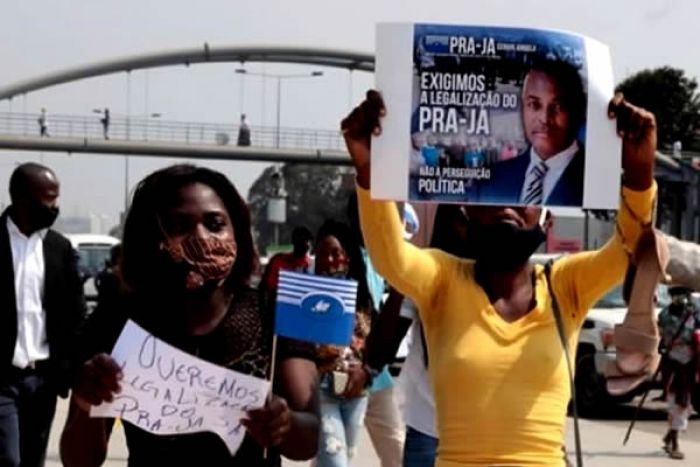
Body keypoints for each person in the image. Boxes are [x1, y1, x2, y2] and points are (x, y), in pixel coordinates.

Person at [341, 90, 657, 466]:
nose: (508, 203)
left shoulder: (565, 286)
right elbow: (389, 255)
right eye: (496, 189)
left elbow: (629, 248)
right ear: (465, 218)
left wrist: (639, 176)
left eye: (525, 191)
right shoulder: (442, 279)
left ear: (545, 219)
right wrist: (368, 170)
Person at [62, 164, 319, 467]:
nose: (201, 237)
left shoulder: (273, 312)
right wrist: (86, 402)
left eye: (215, 224)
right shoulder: (119, 318)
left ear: (236, 230)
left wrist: (285, 425)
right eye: (179, 225)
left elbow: (309, 440)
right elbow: (78, 460)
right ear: (152, 240)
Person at [0, 162, 86, 467]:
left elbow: (74, 314)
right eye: (49, 199)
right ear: (22, 199)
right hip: (3, 379)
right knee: (8, 458)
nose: (55, 207)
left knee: (33, 460)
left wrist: (71, 370)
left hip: (43, 380)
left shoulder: (59, 248)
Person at [346, 194, 406, 467]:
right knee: (338, 454)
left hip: (376, 375)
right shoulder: (340, 256)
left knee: (396, 449)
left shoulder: (380, 258)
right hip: (344, 376)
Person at [478, 60, 586, 206]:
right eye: (534, 105)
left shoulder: (594, 180)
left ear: (578, 110)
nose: (544, 119)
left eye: (558, 107)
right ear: (522, 107)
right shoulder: (492, 179)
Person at [313, 219, 373, 467]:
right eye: (322, 253)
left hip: (357, 392)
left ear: (347, 255)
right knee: (336, 463)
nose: (329, 260)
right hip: (322, 389)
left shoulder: (362, 297)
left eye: (335, 252)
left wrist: (367, 371)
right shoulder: (308, 297)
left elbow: (373, 342)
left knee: (342, 459)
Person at [658, 285, 700, 460]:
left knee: (686, 403)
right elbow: (660, 335)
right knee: (676, 402)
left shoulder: (694, 314)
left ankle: (670, 435)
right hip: (672, 362)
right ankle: (674, 441)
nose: (679, 299)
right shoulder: (664, 316)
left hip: (690, 363)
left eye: (682, 295)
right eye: (675, 295)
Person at [260, 226, 313, 309]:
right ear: (293, 241)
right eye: (300, 240)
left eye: (306, 240)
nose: (304, 243)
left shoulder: (312, 265)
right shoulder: (278, 261)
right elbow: (267, 289)